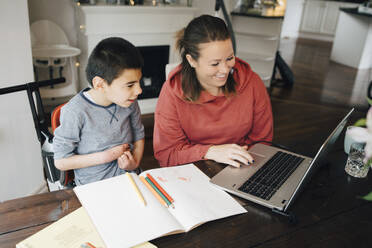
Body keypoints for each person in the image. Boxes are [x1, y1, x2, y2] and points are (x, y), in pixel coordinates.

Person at [153, 15, 273, 167]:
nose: (224, 69)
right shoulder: (172, 93)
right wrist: (210, 152)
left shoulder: (252, 83)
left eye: (229, 58)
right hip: (193, 168)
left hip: (241, 165)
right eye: (215, 63)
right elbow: (168, 155)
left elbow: (262, 142)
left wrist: (240, 161)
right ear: (192, 61)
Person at [53, 37, 145, 185]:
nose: (139, 90)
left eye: (139, 81)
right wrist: (105, 156)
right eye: (130, 85)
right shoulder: (75, 111)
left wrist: (134, 163)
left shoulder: (129, 100)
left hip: (130, 177)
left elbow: (139, 134)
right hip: (95, 186)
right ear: (100, 84)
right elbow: (61, 162)